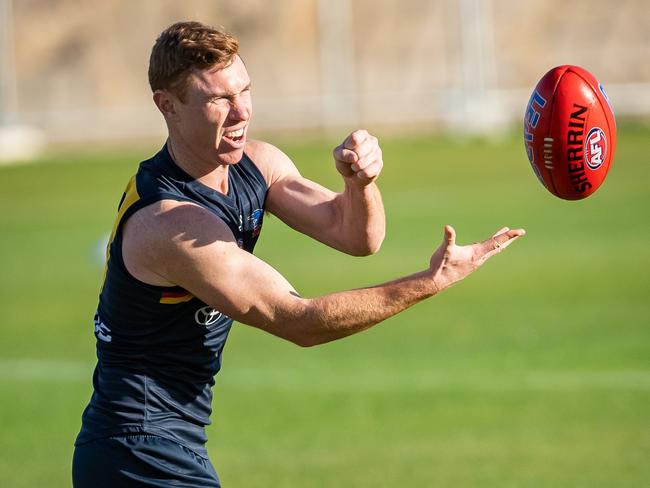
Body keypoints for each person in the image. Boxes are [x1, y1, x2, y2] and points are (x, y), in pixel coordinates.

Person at [72, 20, 524, 488]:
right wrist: (431, 281)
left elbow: (355, 235)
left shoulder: (255, 164)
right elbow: (298, 321)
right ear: (168, 106)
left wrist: (359, 184)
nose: (240, 112)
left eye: (245, 90)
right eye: (218, 100)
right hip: (137, 451)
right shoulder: (171, 223)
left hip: (169, 442)